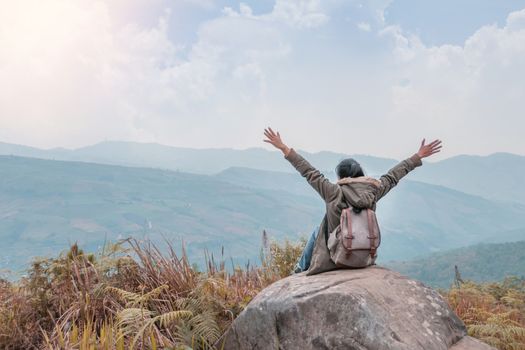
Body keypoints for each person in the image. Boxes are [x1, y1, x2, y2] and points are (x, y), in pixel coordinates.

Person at [263, 127, 442, 275]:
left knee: (318, 230)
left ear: (341, 175)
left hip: (335, 258)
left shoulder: (333, 192)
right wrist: (417, 156)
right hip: (364, 257)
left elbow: (309, 172)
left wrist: (284, 149)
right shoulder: (373, 190)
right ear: (360, 174)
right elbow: (393, 177)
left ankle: (299, 270)